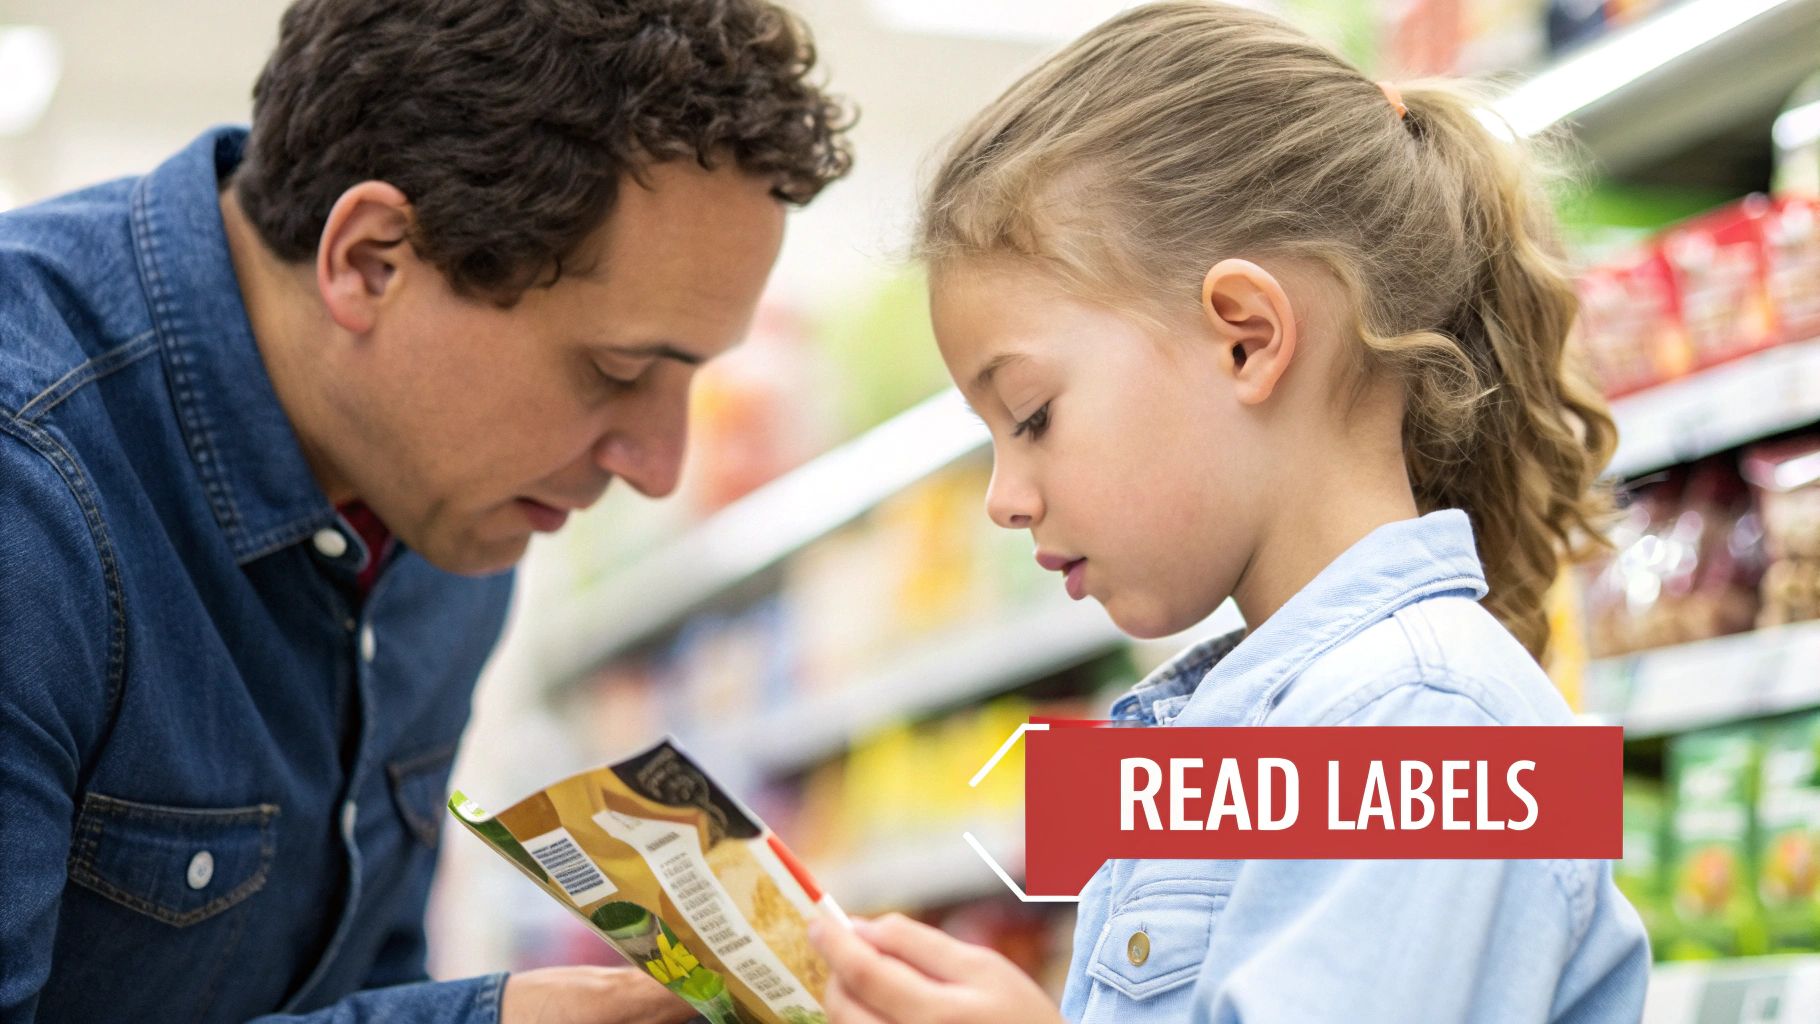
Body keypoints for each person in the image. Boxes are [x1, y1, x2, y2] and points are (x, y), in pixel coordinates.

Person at [0, 1, 851, 1022]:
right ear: (370, 260)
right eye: (616, 370)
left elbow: (359, 974)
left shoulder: (446, 516)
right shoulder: (32, 492)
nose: (659, 468)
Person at [809, 2, 1649, 1021]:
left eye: (1029, 415)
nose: (1002, 498)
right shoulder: (1286, 722)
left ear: (1245, 338)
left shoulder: (1426, 725)